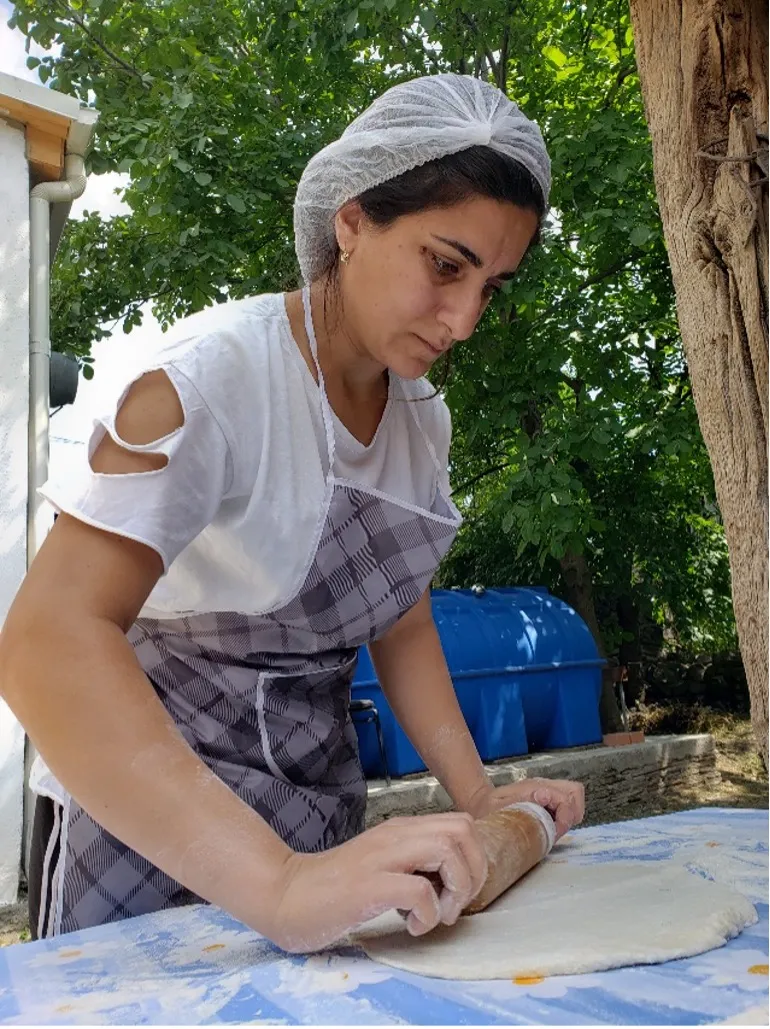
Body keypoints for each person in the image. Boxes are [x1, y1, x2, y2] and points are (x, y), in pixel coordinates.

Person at [0, 73, 585, 952]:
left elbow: (403, 620)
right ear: (350, 223)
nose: (464, 320)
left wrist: (482, 799)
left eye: (490, 286)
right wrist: (274, 883)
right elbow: (47, 642)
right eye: (445, 264)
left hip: (316, 824)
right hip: (153, 829)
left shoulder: (422, 423)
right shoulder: (206, 383)